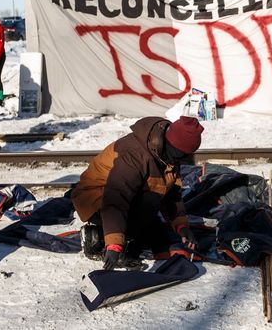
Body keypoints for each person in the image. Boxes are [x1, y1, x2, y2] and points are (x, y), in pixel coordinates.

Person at [71, 115, 204, 270]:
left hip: (123, 197)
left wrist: (182, 226)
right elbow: (116, 197)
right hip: (95, 197)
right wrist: (114, 244)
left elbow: (171, 194)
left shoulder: (167, 154)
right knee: (150, 204)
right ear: (172, 148)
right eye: (180, 156)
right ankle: (97, 236)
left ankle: (115, 234)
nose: (183, 161)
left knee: (154, 231)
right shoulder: (135, 153)